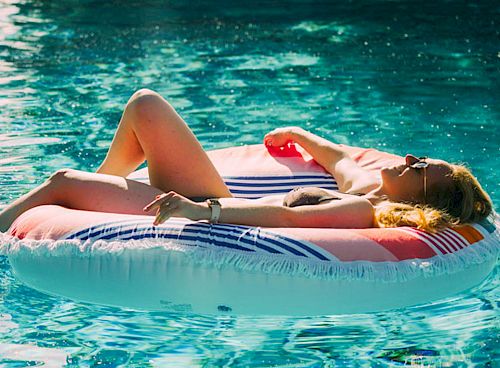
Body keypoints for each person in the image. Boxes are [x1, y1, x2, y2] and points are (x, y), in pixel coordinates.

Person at [0, 89, 493, 234]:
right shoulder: (366, 187)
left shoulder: (366, 214)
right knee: (144, 106)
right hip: (219, 198)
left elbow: (285, 216)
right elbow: (339, 156)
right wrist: (297, 133)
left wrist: (201, 211)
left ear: (423, 200)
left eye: (420, 169)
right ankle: (99, 193)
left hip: (218, 218)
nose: (409, 158)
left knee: (62, 181)